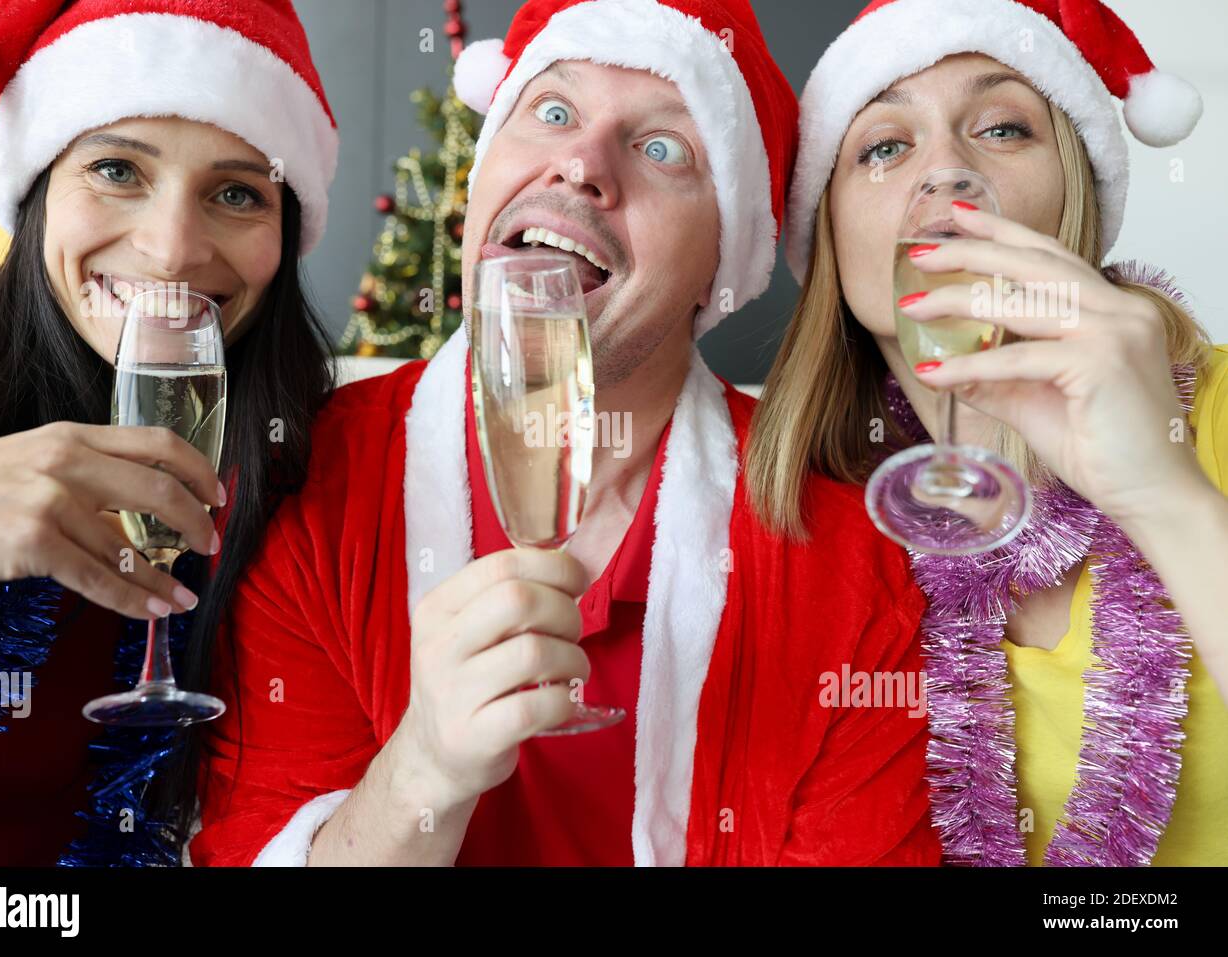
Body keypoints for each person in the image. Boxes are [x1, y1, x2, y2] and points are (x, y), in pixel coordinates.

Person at [191, 0, 939, 867]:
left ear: (720, 269)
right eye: (552, 111)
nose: (581, 164)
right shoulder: (302, 483)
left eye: (663, 148)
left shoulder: (852, 557)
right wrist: (423, 771)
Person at [748, 0, 1227, 865]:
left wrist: (1165, 494)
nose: (945, 174)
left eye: (1002, 128)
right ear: (830, 236)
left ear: (1075, 194)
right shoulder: (797, 522)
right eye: (884, 146)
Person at [0, 0, 339, 866]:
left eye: (236, 193)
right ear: (38, 190)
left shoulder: (316, 462)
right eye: (118, 169)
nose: (171, 250)